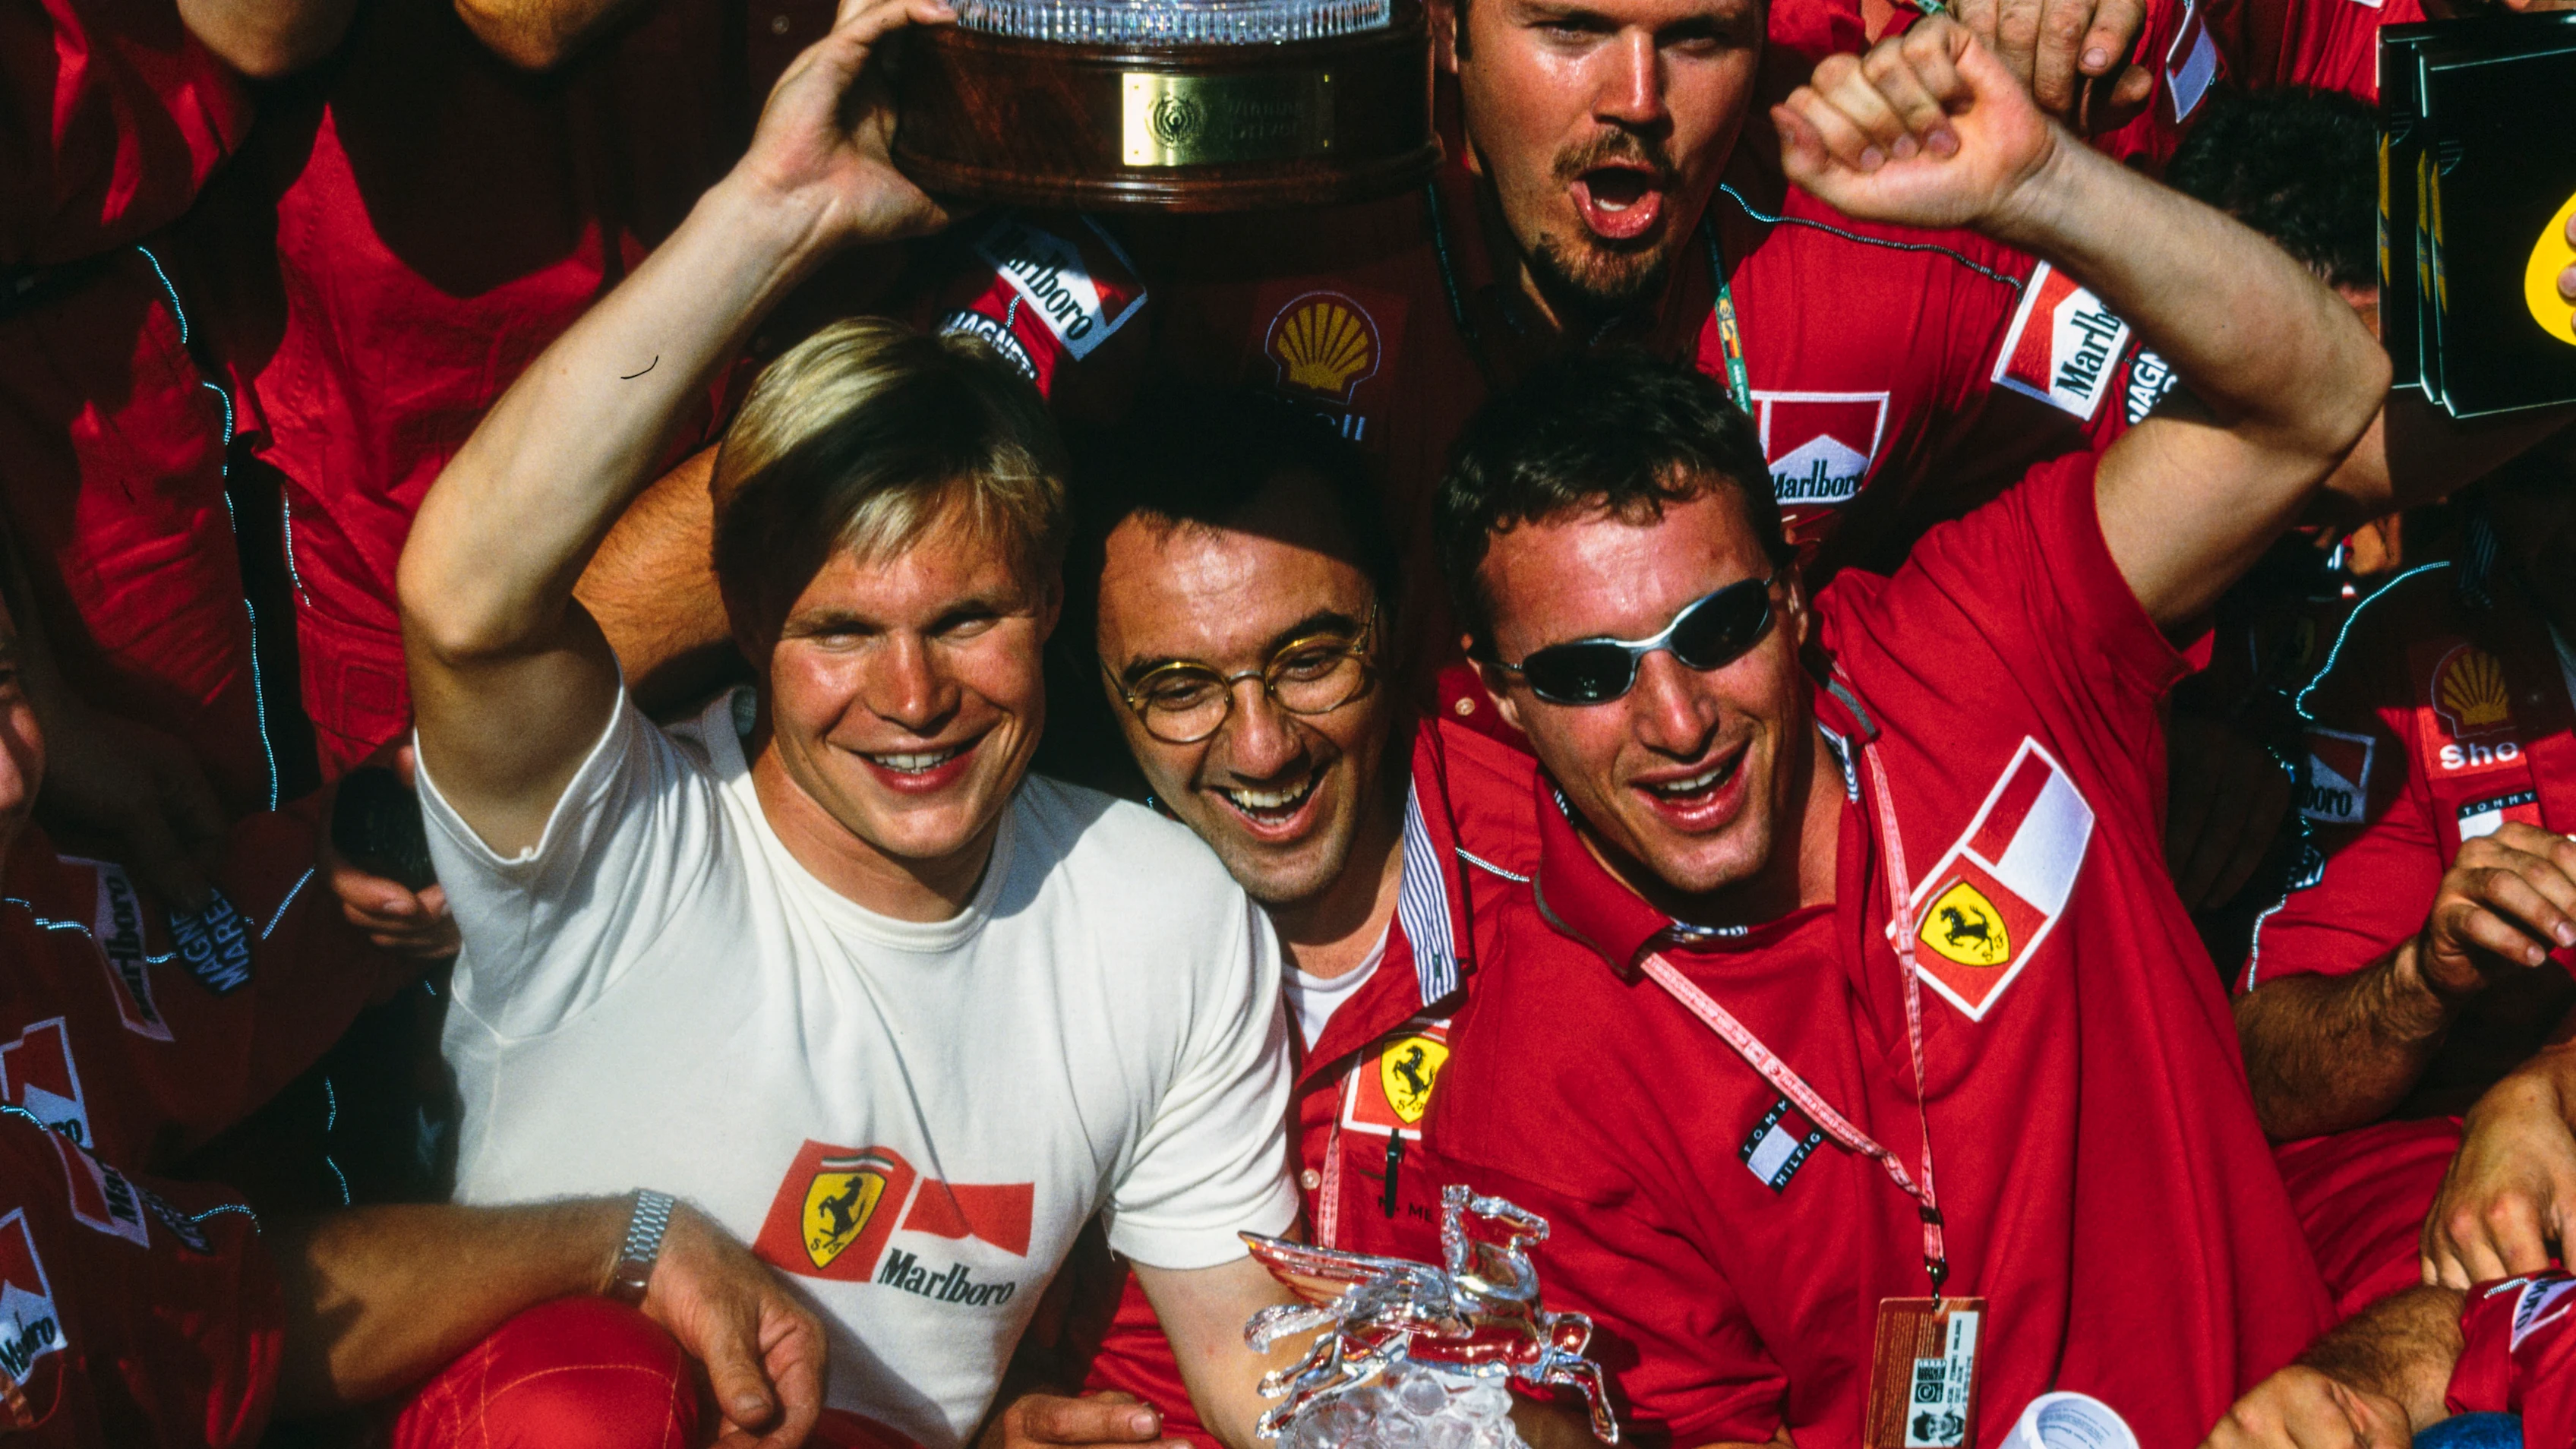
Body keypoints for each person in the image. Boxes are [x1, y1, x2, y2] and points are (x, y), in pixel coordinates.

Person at [1403, 11, 2388, 1446]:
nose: (1676, 720)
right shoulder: (1533, 1102)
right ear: (1498, 697)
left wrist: (2042, 180)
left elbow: (2319, 394)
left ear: (1796, 600)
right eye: (1588, 675)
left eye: (1719, 630)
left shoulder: (1980, 646)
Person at [395, 6, 1318, 1445]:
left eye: (965, 620)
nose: (911, 698)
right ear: (751, 625)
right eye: (842, 631)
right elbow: (463, 595)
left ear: (1052, 603)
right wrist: (774, 215)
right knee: (585, 1395)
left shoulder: (1163, 916)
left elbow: (1261, 1369)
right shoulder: (613, 844)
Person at [983, 391, 1540, 1449]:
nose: (1261, 748)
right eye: (1180, 687)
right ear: (1098, 690)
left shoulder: (1566, 898)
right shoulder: (1016, 906)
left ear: (1401, 617)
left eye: (1309, 659)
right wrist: (961, 1414)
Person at [2235, 450, 2576, 1317]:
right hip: (2441, 1199)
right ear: (2483, 485)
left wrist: (2545, 1087)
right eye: (2548, 473)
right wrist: (2421, 980)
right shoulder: (2410, 647)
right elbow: (2270, 1078)